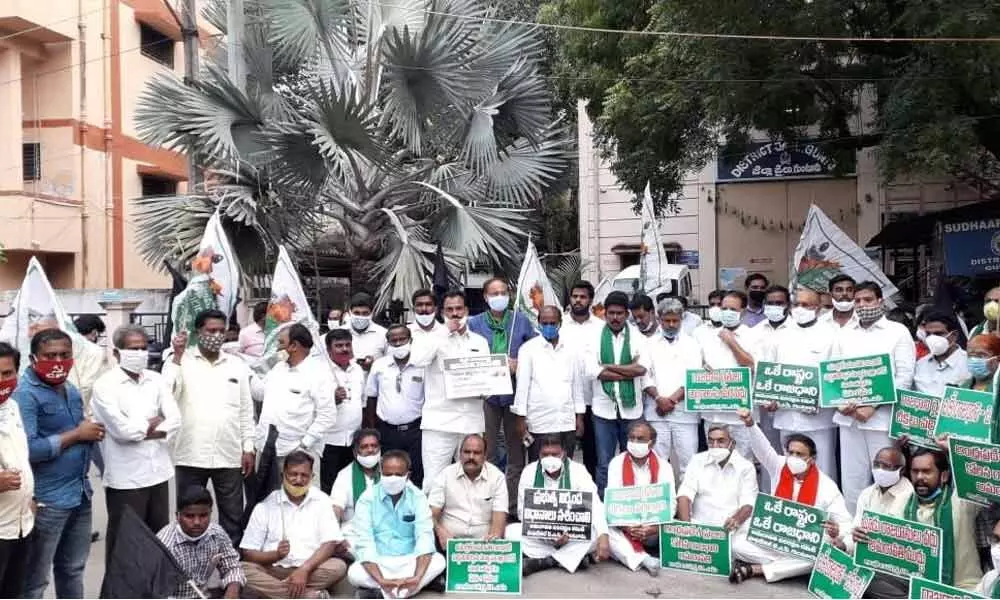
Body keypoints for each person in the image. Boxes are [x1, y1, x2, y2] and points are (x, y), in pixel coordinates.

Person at [17, 329, 104, 599]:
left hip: (79, 493)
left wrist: (91, 434)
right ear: (33, 358)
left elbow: (81, 432)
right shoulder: (25, 395)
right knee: (35, 579)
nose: (57, 362)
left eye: (64, 355)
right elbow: (28, 449)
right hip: (46, 499)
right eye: (50, 356)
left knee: (73, 569)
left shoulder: (71, 389)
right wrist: (77, 435)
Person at [163, 309, 255, 545]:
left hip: (229, 454)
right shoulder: (180, 361)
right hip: (190, 454)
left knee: (233, 517)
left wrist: (249, 447)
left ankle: (230, 568)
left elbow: (246, 409)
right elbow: (166, 394)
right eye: (211, 330)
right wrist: (176, 356)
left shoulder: (236, 365)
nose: (216, 335)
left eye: (221, 331)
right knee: (191, 518)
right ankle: (189, 568)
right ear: (198, 332)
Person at [91, 325, 180, 566]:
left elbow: (175, 419)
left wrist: (143, 430)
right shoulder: (105, 386)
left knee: (158, 542)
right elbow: (122, 432)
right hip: (126, 479)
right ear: (117, 352)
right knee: (125, 546)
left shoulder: (156, 379)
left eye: (143, 347)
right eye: (133, 348)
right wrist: (151, 426)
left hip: (158, 473)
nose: (140, 353)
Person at [730, 408, 851, 584]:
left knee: (823, 554)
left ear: (812, 459)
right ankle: (790, 568)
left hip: (803, 545)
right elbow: (763, 449)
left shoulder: (827, 486)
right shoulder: (779, 466)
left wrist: (837, 530)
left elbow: (847, 522)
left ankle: (756, 568)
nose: (793, 457)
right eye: (791, 452)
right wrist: (750, 423)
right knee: (735, 543)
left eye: (800, 454)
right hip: (773, 538)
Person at [830, 281, 916, 513]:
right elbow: (833, 373)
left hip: (882, 421)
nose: (861, 305)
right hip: (849, 420)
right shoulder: (844, 333)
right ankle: (852, 536)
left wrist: (872, 407)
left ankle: (889, 532)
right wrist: (840, 405)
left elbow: (904, 377)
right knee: (852, 480)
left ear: (880, 301)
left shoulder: (897, 332)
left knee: (887, 477)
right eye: (857, 301)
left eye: (867, 300)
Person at [409, 290, 491, 491]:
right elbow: (418, 360)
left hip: (471, 421)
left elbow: (486, 377)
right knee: (434, 480)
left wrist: (486, 390)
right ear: (442, 312)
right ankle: (431, 521)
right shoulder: (429, 338)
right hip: (439, 423)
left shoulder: (479, 341)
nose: (455, 314)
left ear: (466, 310)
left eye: (459, 309)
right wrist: (445, 332)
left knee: (471, 477)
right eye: (450, 310)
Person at [469, 277, 536, 517]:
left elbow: (534, 352)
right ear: (485, 297)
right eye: (494, 293)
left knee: (515, 452)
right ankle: (484, 506)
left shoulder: (521, 321)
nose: (499, 296)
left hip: (514, 395)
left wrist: (519, 363)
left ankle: (511, 508)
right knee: (485, 452)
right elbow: (464, 356)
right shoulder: (473, 323)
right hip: (484, 397)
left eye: (503, 292)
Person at [241, 451, 348, 599]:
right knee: (241, 570)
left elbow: (329, 543)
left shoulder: (322, 501)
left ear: (312, 477)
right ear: (282, 475)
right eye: (293, 474)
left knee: (338, 567)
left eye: (304, 475)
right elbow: (248, 553)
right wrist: (275, 555)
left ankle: (279, 593)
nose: (298, 480)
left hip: (311, 569)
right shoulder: (266, 505)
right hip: (272, 569)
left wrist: (304, 570)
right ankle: (304, 595)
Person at [757, 288, 837, 477]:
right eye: (796, 304)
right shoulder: (779, 336)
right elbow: (767, 372)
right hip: (786, 417)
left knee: (822, 471)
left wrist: (820, 399)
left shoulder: (831, 335)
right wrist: (768, 398)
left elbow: (836, 376)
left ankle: (820, 507)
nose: (800, 309)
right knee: (791, 470)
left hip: (819, 419)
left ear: (817, 308)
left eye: (806, 305)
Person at [348, 450, 447, 599]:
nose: (393, 479)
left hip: (410, 559)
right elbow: (365, 542)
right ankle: (409, 589)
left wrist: (417, 576)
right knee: (354, 574)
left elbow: (424, 538)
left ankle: (384, 591)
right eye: (388, 474)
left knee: (439, 562)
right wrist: (381, 579)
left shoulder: (417, 497)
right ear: (380, 473)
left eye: (398, 474)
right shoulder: (367, 499)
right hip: (379, 560)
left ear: (408, 475)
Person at [507, 435, 611, 575]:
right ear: (539, 454)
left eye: (555, 454)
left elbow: (594, 504)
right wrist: (547, 532)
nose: (550, 458)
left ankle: (545, 561)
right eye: (545, 454)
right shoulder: (529, 471)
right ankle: (571, 558)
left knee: (594, 534)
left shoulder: (578, 470)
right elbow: (522, 511)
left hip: (572, 535)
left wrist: (603, 535)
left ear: (564, 454)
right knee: (511, 532)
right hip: (540, 534)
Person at [585, 291, 650, 496]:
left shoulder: (638, 337)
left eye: (620, 313)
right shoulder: (594, 336)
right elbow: (592, 372)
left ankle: (630, 502)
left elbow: (642, 369)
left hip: (632, 410)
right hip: (603, 410)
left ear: (627, 314)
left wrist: (608, 366)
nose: (615, 317)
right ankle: (605, 505)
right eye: (611, 313)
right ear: (605, 313)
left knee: (632, 458)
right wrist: (627, 370)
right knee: (604, 462)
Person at [256, 323, 336, 486]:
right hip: (267, 450)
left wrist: (304, 445)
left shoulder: (318, 374)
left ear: (294, 346)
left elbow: (327, 415)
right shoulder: (279, 368)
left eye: (280, 343)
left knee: (301, 504)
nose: (277, 348)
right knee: (269, 505)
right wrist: (245, 372)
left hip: (298, 454)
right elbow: (259, 392)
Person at [838, 446, 913, 597]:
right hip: (869, 560)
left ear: (902, 470)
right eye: (877, 465)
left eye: (886, 466)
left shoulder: (911, 497)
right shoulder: (867, 494)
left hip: (896, 568)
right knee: (830, 562)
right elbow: (856, 530)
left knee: (860, 580)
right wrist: (845, 544)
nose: (880, 470)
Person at [513, 306, 584, 461]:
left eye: (553, 323)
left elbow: (577, 385)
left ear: (560, 323)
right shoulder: (528, 349)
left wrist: (579, 417)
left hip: (566, 421)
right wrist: (520, 419)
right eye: (545, 323)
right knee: (538, 467)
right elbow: (522, 387)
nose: (549, 327)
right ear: (538, 323)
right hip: (539, 422)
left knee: (566, 466)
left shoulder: (571, 349)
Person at [641, 297, 703, 477]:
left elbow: (694, 377)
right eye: (667, 320)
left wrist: (671, 401)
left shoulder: (692, 345)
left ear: (681, 320)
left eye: (675, 320)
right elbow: (645, 375)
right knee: (657, 464)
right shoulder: (649, 343)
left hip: (685, 414)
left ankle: (686, 504)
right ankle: (663, 503)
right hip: (656, 412)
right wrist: (659, 400)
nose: (671, 324)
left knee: (688, 464)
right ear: (659, 319)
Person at [904, 449, 980, 591]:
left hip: (963, 588)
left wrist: (953, 449)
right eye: (915, 471)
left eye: (926, 471)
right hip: (915, 586)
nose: (919, 477)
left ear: (944, 476)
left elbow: (982, 476)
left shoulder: (962, 500)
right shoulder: (903, 502)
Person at [697, 290, 760, 459]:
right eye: (724, 308)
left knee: (743, 461)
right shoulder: (708, 336)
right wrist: (703, 368)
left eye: (733, 309)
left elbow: (751, 365)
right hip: (714, 412)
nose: (727, 313)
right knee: (715, 458)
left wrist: (731, 341)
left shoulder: (753, 335)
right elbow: (700, 366)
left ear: (743, 311)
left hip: (741, 415)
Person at [606, 421, 674, 576]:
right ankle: (643, 560)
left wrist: (653, 528)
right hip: (626, 526)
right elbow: (612, 502)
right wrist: (627, 526)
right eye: (632, 438)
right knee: (603, 529)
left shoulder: (664, 466)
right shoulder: (616, 463)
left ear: (652, 443)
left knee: (675, 526)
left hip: (654, 528)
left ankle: (632, 554)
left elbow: (671, 503)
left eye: (641, 439)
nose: (635, 442)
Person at [157, 486, 244, 599]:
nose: (197, 522)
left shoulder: (217, 534)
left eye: (203, 515)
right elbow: (154, 591)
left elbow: (233, 567)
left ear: (210, 513)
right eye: (189, 516)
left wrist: (232, 592)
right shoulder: (165, 546)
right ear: (177, 516)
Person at [365, 325, 425, 486]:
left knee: (416, 472)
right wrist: (373, 429)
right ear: (388, 343)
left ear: (410, 340)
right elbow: (371, 397)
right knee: (389, 474)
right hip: (387, 431)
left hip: (415, 431)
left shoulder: (422, 365)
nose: (398, 344)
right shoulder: (379, 365)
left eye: (402, 339)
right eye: (394, 341)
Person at [560, 281, 605, 480]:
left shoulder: (601, 327)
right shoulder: (559, 324)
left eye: (583, 297)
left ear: (590, 300)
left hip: (594, 398)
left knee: (593, 452)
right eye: (575, 296)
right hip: (565, 400)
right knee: (563, 452)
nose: (578, 300)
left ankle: (592, 495)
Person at [676, 424, 758, 533]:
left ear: (732, 444)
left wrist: (735, 521)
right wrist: (687, 528)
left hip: (732, 529)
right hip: (699, 527)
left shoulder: (746, 467)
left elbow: (748, 504)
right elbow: (684, 496)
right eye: (711, 441)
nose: (715, 446)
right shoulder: (697, 460)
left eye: (721, 441)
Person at [429, 434, 507, 544]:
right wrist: (439, 531)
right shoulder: (446, 475)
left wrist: (493, 540)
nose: (471, 457)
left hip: (483, 544)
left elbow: (499, 519)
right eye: (467, 452)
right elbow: (431, 514)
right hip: (448, 541)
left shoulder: (497, 478)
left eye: (477, 453)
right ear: (460, 454)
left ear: (485, 456)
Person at [0, 343, 34, 598]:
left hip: (21, 524)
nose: (2, 381)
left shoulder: (12, 407)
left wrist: (29, 499)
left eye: (7, 373)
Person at [322, 328, 365, 494]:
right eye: (339, 345)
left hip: (353, 440)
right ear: (328, 349)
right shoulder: (320, 372)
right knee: (329, 487)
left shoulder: (358, 371)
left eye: (348, 345)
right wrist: (332, 400)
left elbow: (362, 402)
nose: (345, 349)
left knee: (350, 486)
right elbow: (312, 406)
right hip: (329, 441)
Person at [330, 429, 381, 552]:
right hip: (354, 532)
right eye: (364, 446)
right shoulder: (345, 475)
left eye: (374, 446)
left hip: (387, 530)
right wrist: (335, 537)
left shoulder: (391, 469)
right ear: (355, 451)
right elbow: (336, 508)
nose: (370, 450)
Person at [913, 312, 968, 397]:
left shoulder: (968, 365)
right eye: (928, 334)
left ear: (954, 335)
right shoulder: (919, 365)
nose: (932, 338)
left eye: (938, 334)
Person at [346, 293, 387, 376]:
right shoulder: (339, 333)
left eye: (365, 313)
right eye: (356, 313)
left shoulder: (383, 334)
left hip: (374, 385)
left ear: (372, 313)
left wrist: (373, 365)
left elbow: (390, 363)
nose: (360, 317)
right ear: (349, 312)